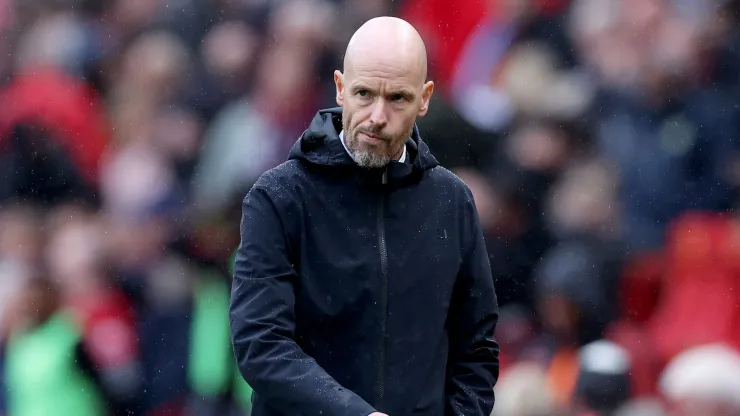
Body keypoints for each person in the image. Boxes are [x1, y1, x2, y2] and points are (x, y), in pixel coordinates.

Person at [229, 16, 500, 416]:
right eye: (364, 93)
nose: (377, 116)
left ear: (425, 99)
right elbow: (261, 344)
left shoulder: (452, 202)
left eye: (397, 99)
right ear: (340, 88)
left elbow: (475, 348)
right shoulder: (279, 197)